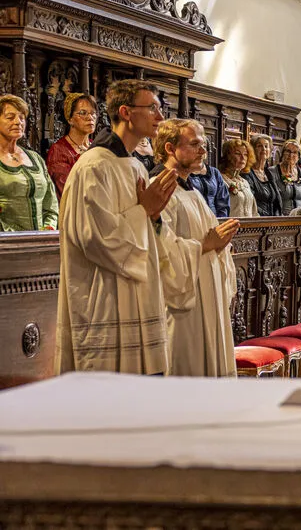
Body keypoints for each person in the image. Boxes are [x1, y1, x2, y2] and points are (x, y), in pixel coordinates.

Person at [56, 80, 178, 374]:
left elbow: (147, 233)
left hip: (138, 295)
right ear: (125, 112)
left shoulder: (135, 166)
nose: (159, 117)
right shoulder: (94, 166)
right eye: (152, 108)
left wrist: (154, 217)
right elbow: (95, 238)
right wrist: (145, 210)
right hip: (104, 300)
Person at [153, 119, 240, 376]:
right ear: (170, 148)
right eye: (194, 145)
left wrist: (220, 247)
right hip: (183, 307)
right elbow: (160, 250)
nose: (203, 152)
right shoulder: (159, 190)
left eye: (204, 145)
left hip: (206, 293)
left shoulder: (192, 191)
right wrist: (206, 244)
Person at [0, 95, 58, 232]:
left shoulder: (35, 158)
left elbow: (50, 202)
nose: (18, 122)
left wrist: (48, 229)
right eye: (10, 117)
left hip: (40, 243)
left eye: (22, 117)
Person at [46, 93, 97, 197]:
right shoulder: (59, 150)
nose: (90, 117)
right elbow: (69, 190)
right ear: (70, 119)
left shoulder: (96, 147)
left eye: (93, 113)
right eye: (83, 113)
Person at [272, 139, 301, 215]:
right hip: (280, 220)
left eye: (295, 152)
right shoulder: (272, 172)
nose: (291, 155)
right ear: (283, 153)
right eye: (288, 151)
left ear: (299, 156)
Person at [245, 134, 282, 216]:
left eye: (266, 146)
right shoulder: (247, 173)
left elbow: (277, 201)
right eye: (259, 146)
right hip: (257, 220)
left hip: (273, 223)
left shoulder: (269, 173)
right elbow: (250, 201)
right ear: (253, 150)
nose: (263, 149)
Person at [220, 139, 257, 217]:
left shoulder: (245, 182)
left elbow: (254, 213)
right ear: (228, 156)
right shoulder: (220, 180)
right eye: (238, 153)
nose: (243, 157)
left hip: (248, 228)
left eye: (246, 154)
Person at [188, 153, 231, 218]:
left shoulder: (214, 172)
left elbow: (223, 202)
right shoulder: (184, 173)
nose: (202, 150)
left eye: (204, 146)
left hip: (215, 220)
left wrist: (221, 221)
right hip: (194, 219)